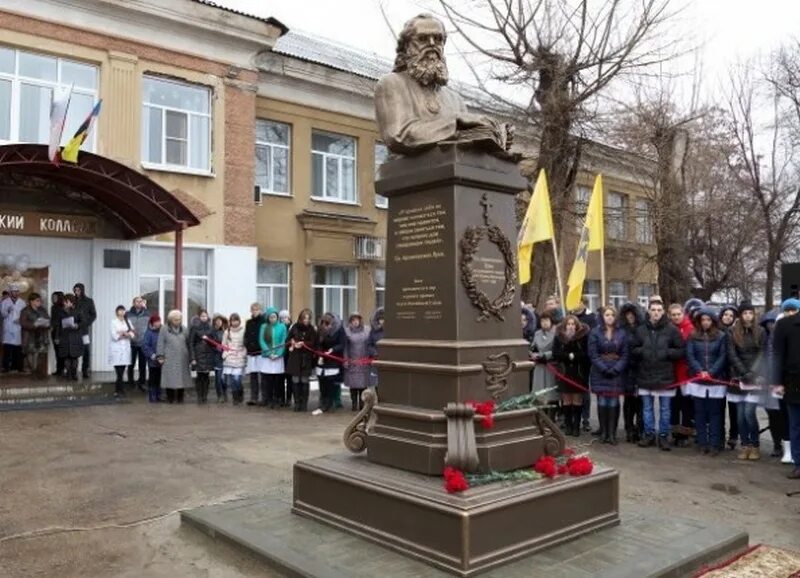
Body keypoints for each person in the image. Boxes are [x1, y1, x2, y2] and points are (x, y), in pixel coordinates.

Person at [633, 299, 685, 451]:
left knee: (665, 409)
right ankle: (649, 434)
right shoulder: (641, 330)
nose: (656, 313)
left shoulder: (672, 330)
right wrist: (643, 351)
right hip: (645, 374)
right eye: (653, 310)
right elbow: (633, 349)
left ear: (663, 312)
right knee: (647, 408)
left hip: (665, 375)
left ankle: (663, 435)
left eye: (659, 310)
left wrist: (667, 353)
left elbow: (681, 350)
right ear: (648, 311)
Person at [686, 308, 729, 456]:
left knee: (715, 414)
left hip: (715, 381)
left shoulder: (721, 336)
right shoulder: (692, 336)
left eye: (708, 320)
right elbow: (690, 355)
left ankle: (715, 443)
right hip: (698, 380)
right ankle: (702, 442)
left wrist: (711, 372)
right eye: (703, 320)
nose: (705, 322)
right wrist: (700, 371)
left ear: (713, 321)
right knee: (699, 413)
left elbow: (723, 356)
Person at [727, 301, 764, 460]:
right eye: (745, 313)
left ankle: (755, 445)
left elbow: (763, 353)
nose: (748, 316)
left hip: (755, 378)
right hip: (738, 377)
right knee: (740, 415)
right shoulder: (733, 332)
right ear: (740, 315)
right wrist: (743, 372)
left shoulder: (761, 331)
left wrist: (753, 372)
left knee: (749, 413)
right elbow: (732, 354)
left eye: (750, 313)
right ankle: (745, 445)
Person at [588, 306, 628, 444]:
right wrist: (604, 368)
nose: (609, 317)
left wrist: (616, 369)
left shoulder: (622, 333)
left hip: (616, 372)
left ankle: (612, 433)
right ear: (602, 316)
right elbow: (593, 354)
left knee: (614, 402)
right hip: (600, 371)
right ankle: (604, 432)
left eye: (612, 314)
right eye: (607, 314)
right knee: (602, 401)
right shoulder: (595, 332)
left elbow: (625, 354)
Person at [771, 298, 800, 478]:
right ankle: (799, 463)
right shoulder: (784, 324)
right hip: (794, 381)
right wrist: (777, 382)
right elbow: (778, 355)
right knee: (796, 424)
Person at [552, 315, 591, 437]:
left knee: (577, 399)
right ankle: (568, 425)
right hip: (564, 372)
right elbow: (556, 354)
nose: (570, 326)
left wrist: (575, 355)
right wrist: (567, 356)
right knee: (567, 400)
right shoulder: (559, 337)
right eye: (568, 324)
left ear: (577, 325)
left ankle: (576, 426)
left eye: (573, 324)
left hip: (578, 372)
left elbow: (586, 354)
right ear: (565, 326)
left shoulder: (582, 337)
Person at [760, 308, 787, 458]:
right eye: (769, 324)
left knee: (786, 415)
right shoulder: (765, 339)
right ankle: (777, 444)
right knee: (773, 415)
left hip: (784, 382)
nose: (772, 326)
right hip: (769, 381)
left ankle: (788, 444)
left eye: (774, 324)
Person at [669, 303, 696, 447]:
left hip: (686, 372)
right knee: (674, 404)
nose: (676, 317)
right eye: (673, 315)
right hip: (671, 372)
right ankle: (674, 432)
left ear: (683, 314)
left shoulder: (690, 329)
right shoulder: (668, 329)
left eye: (678, 314)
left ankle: (685, 433)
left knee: (686, 405)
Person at [620, 303, 644, 443]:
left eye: (632, 314)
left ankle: (640, 428)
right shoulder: (622, 330)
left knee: (640, 402)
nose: (630, 317)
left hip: (640, 368)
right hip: (626, 369)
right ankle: (629, 428)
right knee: (628, 402)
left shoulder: (642, 329)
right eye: (627, 314)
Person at [156, 309, 191, 403]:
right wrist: (160, 356)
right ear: (170, 319)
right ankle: (170, 398)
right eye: (175, 319)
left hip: (182, 358)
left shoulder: (184, 329)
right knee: (169, 378)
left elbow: (188, 343)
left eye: (179, 319)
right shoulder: (164, 329)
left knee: (182, 379)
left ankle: (180, 398)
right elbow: (160, 343)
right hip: (169, 357)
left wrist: (191, 357)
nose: (177, 321)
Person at [313, 312, 345, 415]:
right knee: (322, 383)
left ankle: (330, 404)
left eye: (328, 324)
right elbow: (317, 343)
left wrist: (332, 349)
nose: (326, 327)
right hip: (322, 360)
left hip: (333, 359)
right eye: (324, 324)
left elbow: (342, 344)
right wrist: (320, 353)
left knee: (331, 384)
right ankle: (323, 404)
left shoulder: (339, 330)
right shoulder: (319, 330)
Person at [286, 309, 317, 412]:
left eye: (308, 318)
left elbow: (313, 342)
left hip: (306, 358)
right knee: (295, 380)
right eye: (304, 318)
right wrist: (292, 342)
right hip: (295, 357)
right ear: (300, 318)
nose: (306, 320)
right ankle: (297, 403)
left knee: (304, 380)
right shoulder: (294, 327)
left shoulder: (311, 329)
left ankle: (304, 404)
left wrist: (304, 344)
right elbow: (288, 340)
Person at [719, 304, 739, 449]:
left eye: (731, 315)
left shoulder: (736, 332)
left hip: (732, 374)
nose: (728, 317)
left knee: (734, 408)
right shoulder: (716, 330)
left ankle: (733, 435)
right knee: (719, 407)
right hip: (719, 374)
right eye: (726, 314)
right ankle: (720, 434)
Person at [259, 307, 287, 409]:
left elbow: (283, 341)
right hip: (267, 357)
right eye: (271, 317)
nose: (273, 319)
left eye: (274, 317)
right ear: (268, 318)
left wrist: (278, 354)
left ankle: (277, 399)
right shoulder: (264, 327)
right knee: (268, 379)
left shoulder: (282, 326)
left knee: (278, 380)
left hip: (278, 357)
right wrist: (269, 353)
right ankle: (269, 399)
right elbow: (262, 341)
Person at [530, 311, 558, 413]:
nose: (544, 323)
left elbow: (557, 349)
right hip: (539, 366)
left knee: (551, 394)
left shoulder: (556, 333)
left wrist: (545, 356)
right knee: (540, 394)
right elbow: (533, 347)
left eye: (546, 320)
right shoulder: (537, 333)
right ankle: (542, 418)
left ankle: (552, 417)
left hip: (551, 366)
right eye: (542, 321)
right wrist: (533, 354)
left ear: (551, 321)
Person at [343, 312, 372, 411]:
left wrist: (370, 358)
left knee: (363, 385)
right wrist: (346, 359)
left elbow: (370, 344)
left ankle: (362, 404)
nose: (355, 322)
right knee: (353, 385)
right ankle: (354, 403)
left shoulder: (367, 330)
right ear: (350, 322)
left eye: (357, 320)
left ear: (360, 320)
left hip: (364, 361)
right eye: (353, 320)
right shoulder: (347, 332)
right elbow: (345, 347)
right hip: (352, 361)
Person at [20, 292, 50, 379]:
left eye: (40, 301)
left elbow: (48, 320)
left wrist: (46, 324)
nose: (39, 302)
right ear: (31, 301)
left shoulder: (42, 310)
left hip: (41, 335)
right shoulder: (25, 311)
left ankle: (36, 371)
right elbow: (23, 323)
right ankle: (33, 370)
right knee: (30, 354)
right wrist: (34, 325)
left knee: (39, 354)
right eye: (37, 301)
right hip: (29, 336)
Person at [188, 309, 215, 405]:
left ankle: (205, 397)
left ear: (208, 317)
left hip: (208, 355)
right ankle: (199, 396)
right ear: (199, 317)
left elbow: (214, 343)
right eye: (202, 316)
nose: (204, 317)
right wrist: (192, 358)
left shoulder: (211, 328)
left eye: (205, 316)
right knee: (199, 377)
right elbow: (191, 343)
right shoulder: (194, 328)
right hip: (198, 355)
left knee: (206, 377)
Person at [56, 294, 83, 381]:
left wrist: (77, 325)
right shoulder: (60, 312)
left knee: (74, 356)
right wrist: (57, 337)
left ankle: (74, 373)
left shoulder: (78, 311)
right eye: (64, 302)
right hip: (64, 336)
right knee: (66, 356)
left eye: (67, 302)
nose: (65, 303)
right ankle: (68, 373)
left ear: (72, 302)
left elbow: (83, 322)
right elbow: (58, 326)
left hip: (75, 336)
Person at [109, 305, 134, 397]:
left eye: (123, 310)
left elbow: (132, 334)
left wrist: (123, 333)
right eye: (120, 310)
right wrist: (124, 334)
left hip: (125, 350)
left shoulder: (128, 322)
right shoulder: (113, 322)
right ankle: (119, 390)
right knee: (119, 372)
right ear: (116, 312)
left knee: (122, 371)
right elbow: (114, 336)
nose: (122, 312)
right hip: (116, 349)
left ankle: (118, 390)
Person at [72, 283, 96, 378]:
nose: (76, 292)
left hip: (84, 329)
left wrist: (85, 323)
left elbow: (93, 315)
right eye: (75, 290)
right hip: (73, 330)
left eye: (78, 290)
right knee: (74, 350)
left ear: (82, 290)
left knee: (86, 350)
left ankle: (85, 370)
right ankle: (74, 371)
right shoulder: (72, 300)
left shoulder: (89, 301)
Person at [126, 296, 149, 392]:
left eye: (140, 301)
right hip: (131, 343)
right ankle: (130, 382)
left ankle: (142, 383)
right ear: (133, 303)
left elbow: (150, 326)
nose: (139, 303)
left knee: (142, 365)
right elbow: (124, 326)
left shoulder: (147, 314)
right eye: (137, 301)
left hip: (143, 343)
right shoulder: (127, 314)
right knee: (130, 363)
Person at [222, 313, 247, 405]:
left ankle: (240, 392)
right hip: (230, 357)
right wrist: (226, 353)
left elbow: (245, 344)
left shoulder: (244, 330)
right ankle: (235, 397)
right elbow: (224, 345)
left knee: (237, 378)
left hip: (239, 356)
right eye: (232, 320)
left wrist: (243, 354)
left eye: (236, 320)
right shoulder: (227, 332)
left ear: (239, 321)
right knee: (231, 379)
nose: (234, 322)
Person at [1, 284, 26, 372]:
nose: (15, 293)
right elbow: (2, 314)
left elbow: (24, 314)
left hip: (18, 327)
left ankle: (18, 367)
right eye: (13, 292)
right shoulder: (5, 302)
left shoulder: (22, 302)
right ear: (10, 292)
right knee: (7, 349)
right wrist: (7, 311)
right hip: (8, 327)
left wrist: (20, 320)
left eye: (16, 291)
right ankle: (6, 367)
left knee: (18, 349)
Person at [244, 303, 264, 406]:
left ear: (260, 310)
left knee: (262, 375)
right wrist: (247, 345)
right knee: (253, 375)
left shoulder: (264, 322)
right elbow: (246, 336)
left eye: (256, 309)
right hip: (251, 352)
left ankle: (263, 397)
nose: (254, 311)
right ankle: (254, 397)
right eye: (253, 310)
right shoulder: (249, 322)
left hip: (260, 352)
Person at [141, 314, 162, 403]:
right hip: (153, 360)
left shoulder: (162, 331)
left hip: (161, 360)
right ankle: (152, 395)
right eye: (156, 322)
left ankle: (159, 395)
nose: (158, 323)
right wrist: (152, 355)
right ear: (152, 323)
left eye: (159, 321)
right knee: (153, 378)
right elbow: (145, 346)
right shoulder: (149, 333)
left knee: (159, 378)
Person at [211, 314, 228, 403]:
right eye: (216, 321)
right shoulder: (212, 332)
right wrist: (216, 348)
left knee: (223, 379)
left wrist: (225, 349)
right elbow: (209, 344)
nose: (218, 322)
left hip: (224, 358)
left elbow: (229, 343)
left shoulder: (225, 331)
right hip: (216, 358)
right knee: (218, 378)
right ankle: (219, 396)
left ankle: (224, 394)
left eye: (220, 321)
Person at [367, 307, 385, 390]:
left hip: (389, 360)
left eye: (384, 319)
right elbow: (369, 345)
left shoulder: (391, 331)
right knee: (377, 384)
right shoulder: (373, 331)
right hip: (376, 360)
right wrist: (374, 353)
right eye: (380, 319)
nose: (382, 321)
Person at [278, 309, 292, 407]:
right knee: (280, 379)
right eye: (282, 318)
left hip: (290, 357)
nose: (284, 319)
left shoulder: (292, 328)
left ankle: (289, 398)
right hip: (280, 356)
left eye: (286, 317)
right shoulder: (279, 328)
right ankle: (281, 398)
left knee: (290, 379)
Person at [49, 291, 65, 377]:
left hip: (60, 332)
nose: (53, 299)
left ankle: (61, 369)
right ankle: (59, 369)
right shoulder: (53, 307)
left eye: (55, 297)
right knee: (57, 351)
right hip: (54, 331)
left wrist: (57, 335)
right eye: (53, 297)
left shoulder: (62, 308)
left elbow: (58, 322)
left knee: (61, 351)